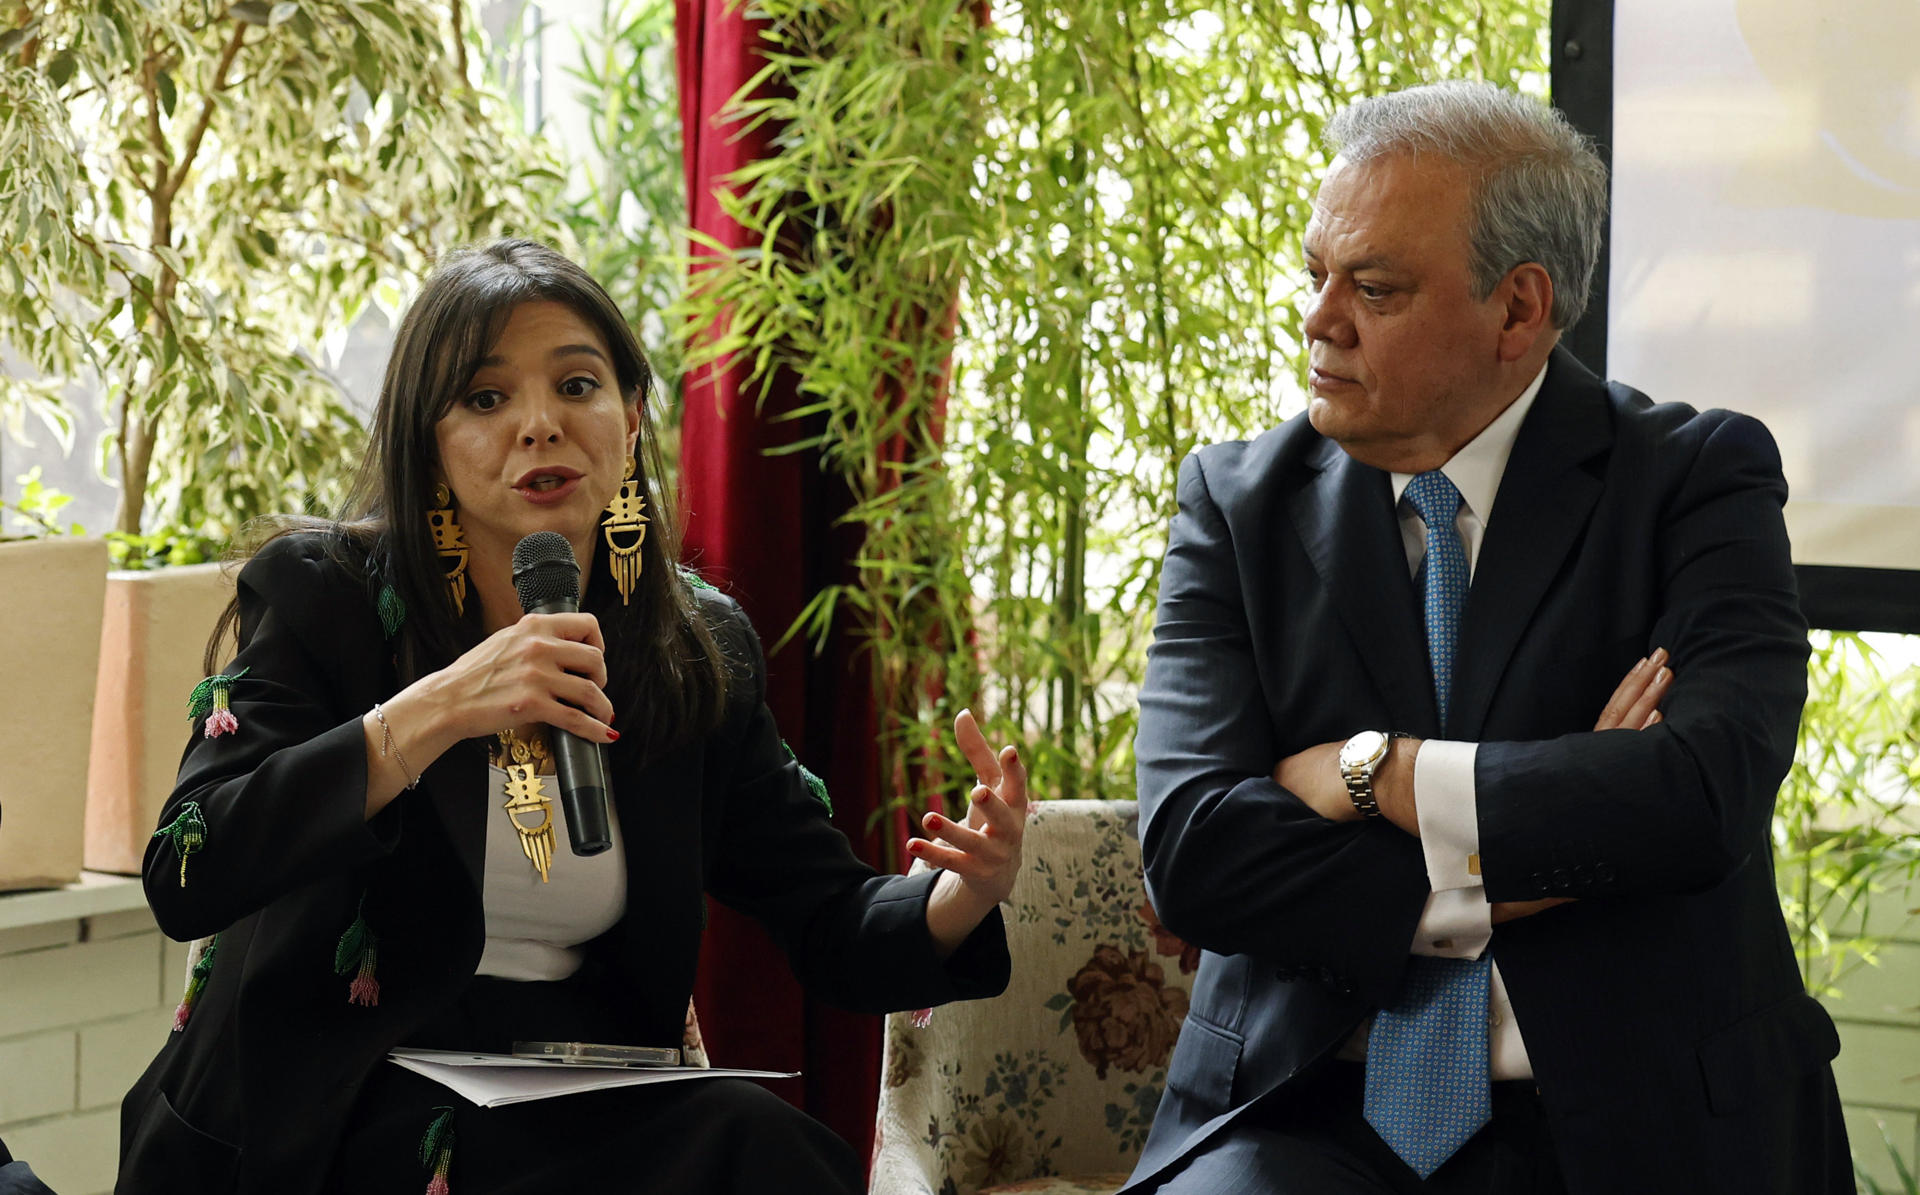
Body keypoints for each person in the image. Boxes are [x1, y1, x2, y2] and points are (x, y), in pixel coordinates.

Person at [115, 239, 1027, 1195]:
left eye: (578, 386)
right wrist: (434, 709)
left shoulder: (694, 648)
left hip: (571, 1113)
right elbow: (188, 867)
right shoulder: (328, 601)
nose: (540, 425)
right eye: (485, 398)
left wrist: (956, 896)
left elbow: (826, 915)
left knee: (763, 1147)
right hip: (330, 1119)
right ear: (429, 442)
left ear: (631, 420)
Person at [1125, 82, 1847, 1195]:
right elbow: (1195, 853)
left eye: (1374, 288)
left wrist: (1367, 773)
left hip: (1635, 1116)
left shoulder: (1698, 481)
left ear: (1518, 312)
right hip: (1299, 1107)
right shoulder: (1235, 503)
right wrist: (1543, 852)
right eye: (1317, 272)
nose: (1319, 319)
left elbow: (1700, 799)